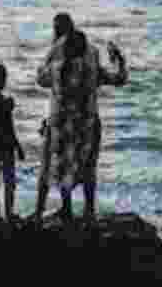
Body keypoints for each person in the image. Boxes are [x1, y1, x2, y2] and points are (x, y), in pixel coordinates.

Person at [34, 19, 128, 222]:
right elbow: (119, 79)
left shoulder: (57, 68)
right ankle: (89, 211)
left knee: (59, 165)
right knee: (88, 169)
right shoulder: (91, 67)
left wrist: (51, 52)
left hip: (61, 124)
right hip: (88, 125)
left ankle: (63, 209)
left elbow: (40, 78)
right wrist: (119, 60)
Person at [0, 63, 27, 221]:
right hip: (1, 145)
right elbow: (6, 125)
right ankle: (3, 213)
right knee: (5, 181)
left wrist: (17, 145)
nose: (3, 81)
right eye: (1, 78)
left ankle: (0, 213)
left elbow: (9, 125)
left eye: (3, 78)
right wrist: (17, 146)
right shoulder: (0, 101)